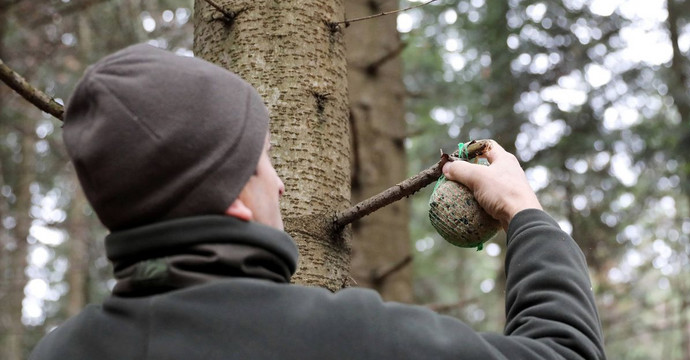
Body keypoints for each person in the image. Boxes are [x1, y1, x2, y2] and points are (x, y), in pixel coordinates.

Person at [30, 44, 605, 360]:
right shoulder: (349, 341)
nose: (278, 183)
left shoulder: (58, 353)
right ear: (231, 197)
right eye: (263, 160)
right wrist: (526, 214)